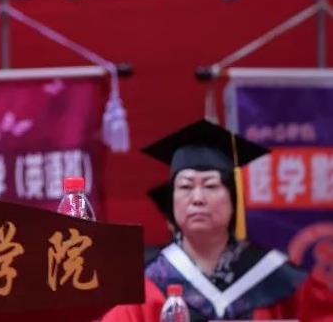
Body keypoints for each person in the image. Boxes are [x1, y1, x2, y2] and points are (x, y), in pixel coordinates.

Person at [102, 119, 333, 321]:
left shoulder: (280, 279)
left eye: (211, 186)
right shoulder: (149, 281)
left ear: (233, 198)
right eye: (185, 187)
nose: (197, 198)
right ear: (171, 200)